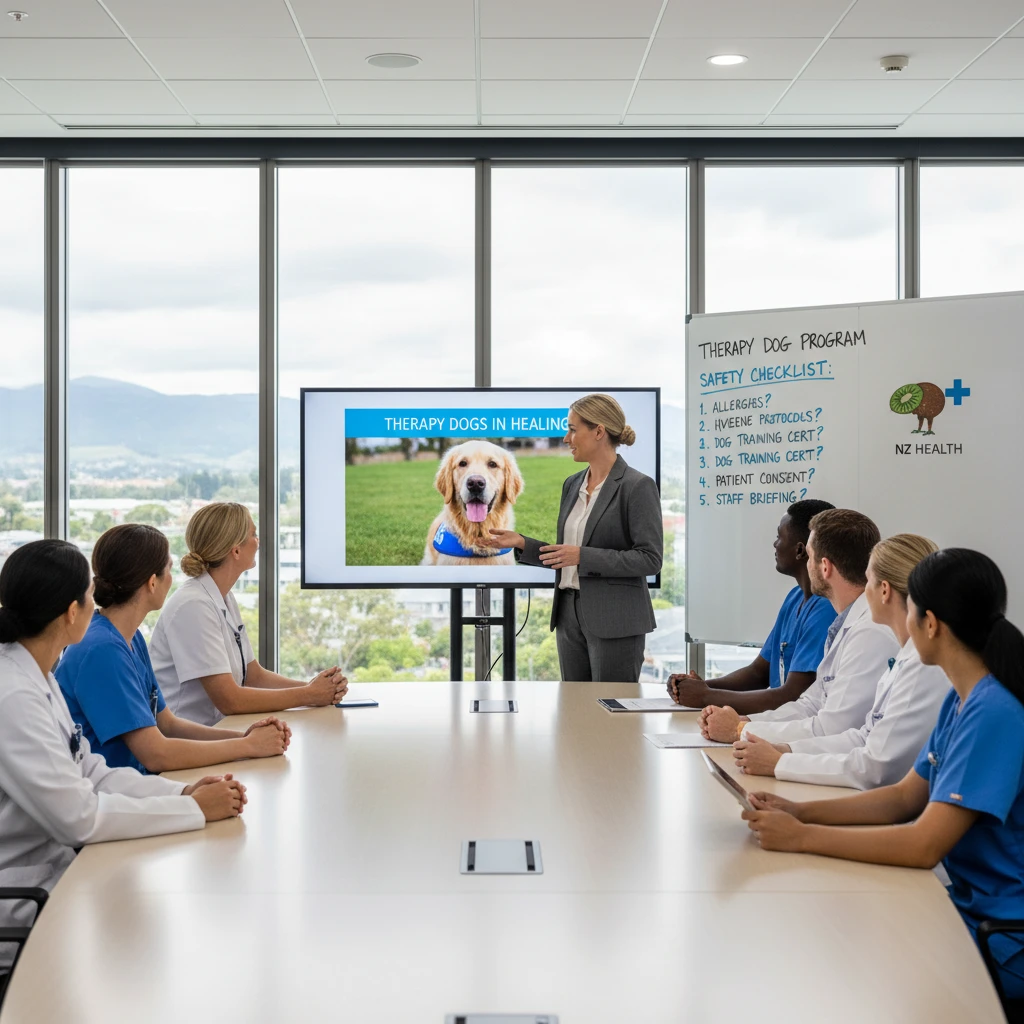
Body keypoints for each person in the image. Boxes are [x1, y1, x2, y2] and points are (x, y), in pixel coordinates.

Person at [740, 549, 1024, 1001]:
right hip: (971, 910)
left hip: (1004, 937)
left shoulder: (993, 712)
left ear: (929, 623)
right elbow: (904, 798)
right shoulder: (963, 698)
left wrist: (801, 836)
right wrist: (800, 811)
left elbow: (923, 843)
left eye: (910, 609)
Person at [0, 540, 246, 969]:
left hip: (65, 874)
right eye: (89, 595)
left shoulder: (36, 676)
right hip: (32, 899)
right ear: (71, 613)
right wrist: (193, 811)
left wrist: (182, 794)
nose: (97, 603)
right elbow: (79, 817)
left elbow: (92, 770)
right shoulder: (15, 695)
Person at [56, 524, 291, 774]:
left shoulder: (130, 637)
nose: (172, 578)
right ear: (152, 583)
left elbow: (167, 724)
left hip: (136, 783)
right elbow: (156, 755)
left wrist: (244, 736)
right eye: (168, 569)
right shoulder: (102, 650)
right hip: (111, 794)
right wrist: (247, 747)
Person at [732, 533, 949, 788]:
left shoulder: (912, 659)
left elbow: (875, 768)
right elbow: (861, 737)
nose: (863, 590)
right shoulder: (905, 655)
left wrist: (778, 759)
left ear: (884, 591)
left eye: (868, 580)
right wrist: (783, 750)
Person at [483, 394, 662, 683]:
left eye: (573, 429)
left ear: (599, 432)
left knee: (609, 715)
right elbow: (565, 553)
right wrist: (521, 544)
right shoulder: (572, 484)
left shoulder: (637, 486)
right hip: (568, 614)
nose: (566, 438)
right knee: (574, 711)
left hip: (615, 620)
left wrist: (583, 556)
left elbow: (650, 558)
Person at [701, 508, 899, 744]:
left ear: (824, 566)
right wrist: (749, 722)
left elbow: (831, 729)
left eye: (810, 555)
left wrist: (739, 730)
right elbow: (811, 704)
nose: (807, 564)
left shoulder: (869, 633)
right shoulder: (845, 623)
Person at [149, 502, 348, 727]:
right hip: (190, 744)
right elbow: (229, 700)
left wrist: (314, 688)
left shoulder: (222, 596)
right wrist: (309, 695)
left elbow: (253, 676)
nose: (258, 541)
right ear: (235, 550)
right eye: (254, 534)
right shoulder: (193, 605)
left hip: (218, 732)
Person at [667, 499, 837, 713]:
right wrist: (700, 686)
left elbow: (792, 696)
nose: (775, 544)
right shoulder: (794, 598)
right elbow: (758, 673)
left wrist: (705, 696)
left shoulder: (825, 609)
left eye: (779, 536)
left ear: (800, 550)